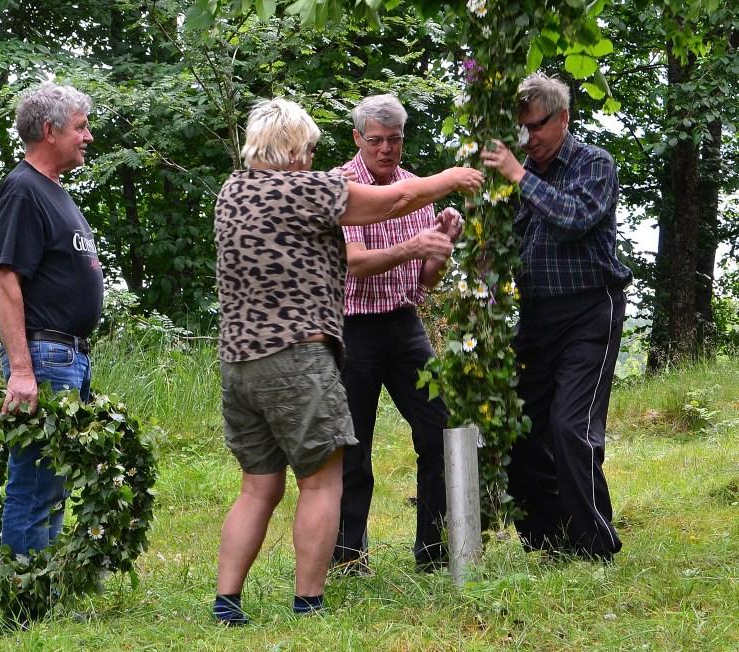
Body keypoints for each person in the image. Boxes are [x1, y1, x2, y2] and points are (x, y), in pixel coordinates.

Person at [213, 97, 482, 625]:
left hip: (239, 361)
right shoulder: (307, 188)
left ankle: (227, 604)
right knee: (322, 480)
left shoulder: (232, 191)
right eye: (308, 147)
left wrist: (431, 245)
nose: (312, 156)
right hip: (299, 354)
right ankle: (309, 601)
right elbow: (392, 201)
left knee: (258, 486)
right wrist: (451, 175)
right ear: (290, 147)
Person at [480, 73, 631, 561]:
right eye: (520, 131)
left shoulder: (594, 164)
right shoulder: (522, 173)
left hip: (592, 310)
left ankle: (595, 543)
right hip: (539, 316)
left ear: (563, 118)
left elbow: (573, 220)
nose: (528, 139)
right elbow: (509, 244)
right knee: (519, 424)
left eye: (536, 127)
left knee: (571, 427)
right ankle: (549, 538)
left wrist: (519, 177)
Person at [331, 94, 463, 574]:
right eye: (376, 141)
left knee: (440, 429)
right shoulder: (341, 186)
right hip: (353, 329)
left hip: (404, 325)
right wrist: (414, 246)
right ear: (357, 139)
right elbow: (357, 264)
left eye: (395, 140)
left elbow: (424, 282)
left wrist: (442, 246)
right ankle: (347, 557)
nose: (386, 149)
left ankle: (433, 552)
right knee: (352, 446)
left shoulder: (414, 188)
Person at [0, 81, 102, 557]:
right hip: (43, 352)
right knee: (35, 480)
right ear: (50, 130)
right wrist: (20, 370)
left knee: (52, 481)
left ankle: (45, 592)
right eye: (81, 127)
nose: (89, 136)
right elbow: (6, 280)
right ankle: (23, 599)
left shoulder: (54, 191)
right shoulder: (22, 190)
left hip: (68, 353)